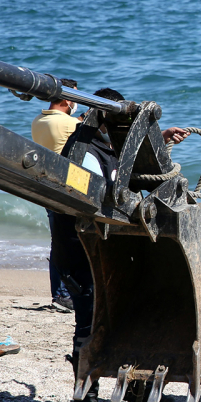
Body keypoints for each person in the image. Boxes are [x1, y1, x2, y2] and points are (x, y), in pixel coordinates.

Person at [53, 87, 189, 402]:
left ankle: (125, 387)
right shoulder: (85, 151)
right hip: (81, 251)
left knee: (120, 313)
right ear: (101, 118)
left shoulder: (105, 145)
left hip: (100, 250)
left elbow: (123, 178)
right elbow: (88, 200)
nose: (121, 132)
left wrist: (161, 140)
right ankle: (87, 392)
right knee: (91, 318)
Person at [31, 77, 81, 311]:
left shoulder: (38, 120)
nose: (76, 102)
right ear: (66, 98)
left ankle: (59, 293)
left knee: (58, 240)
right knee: (69, 242)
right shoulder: (67, 124)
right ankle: (64, 294)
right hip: (65, 190)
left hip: (46, 185)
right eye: (75, 97)